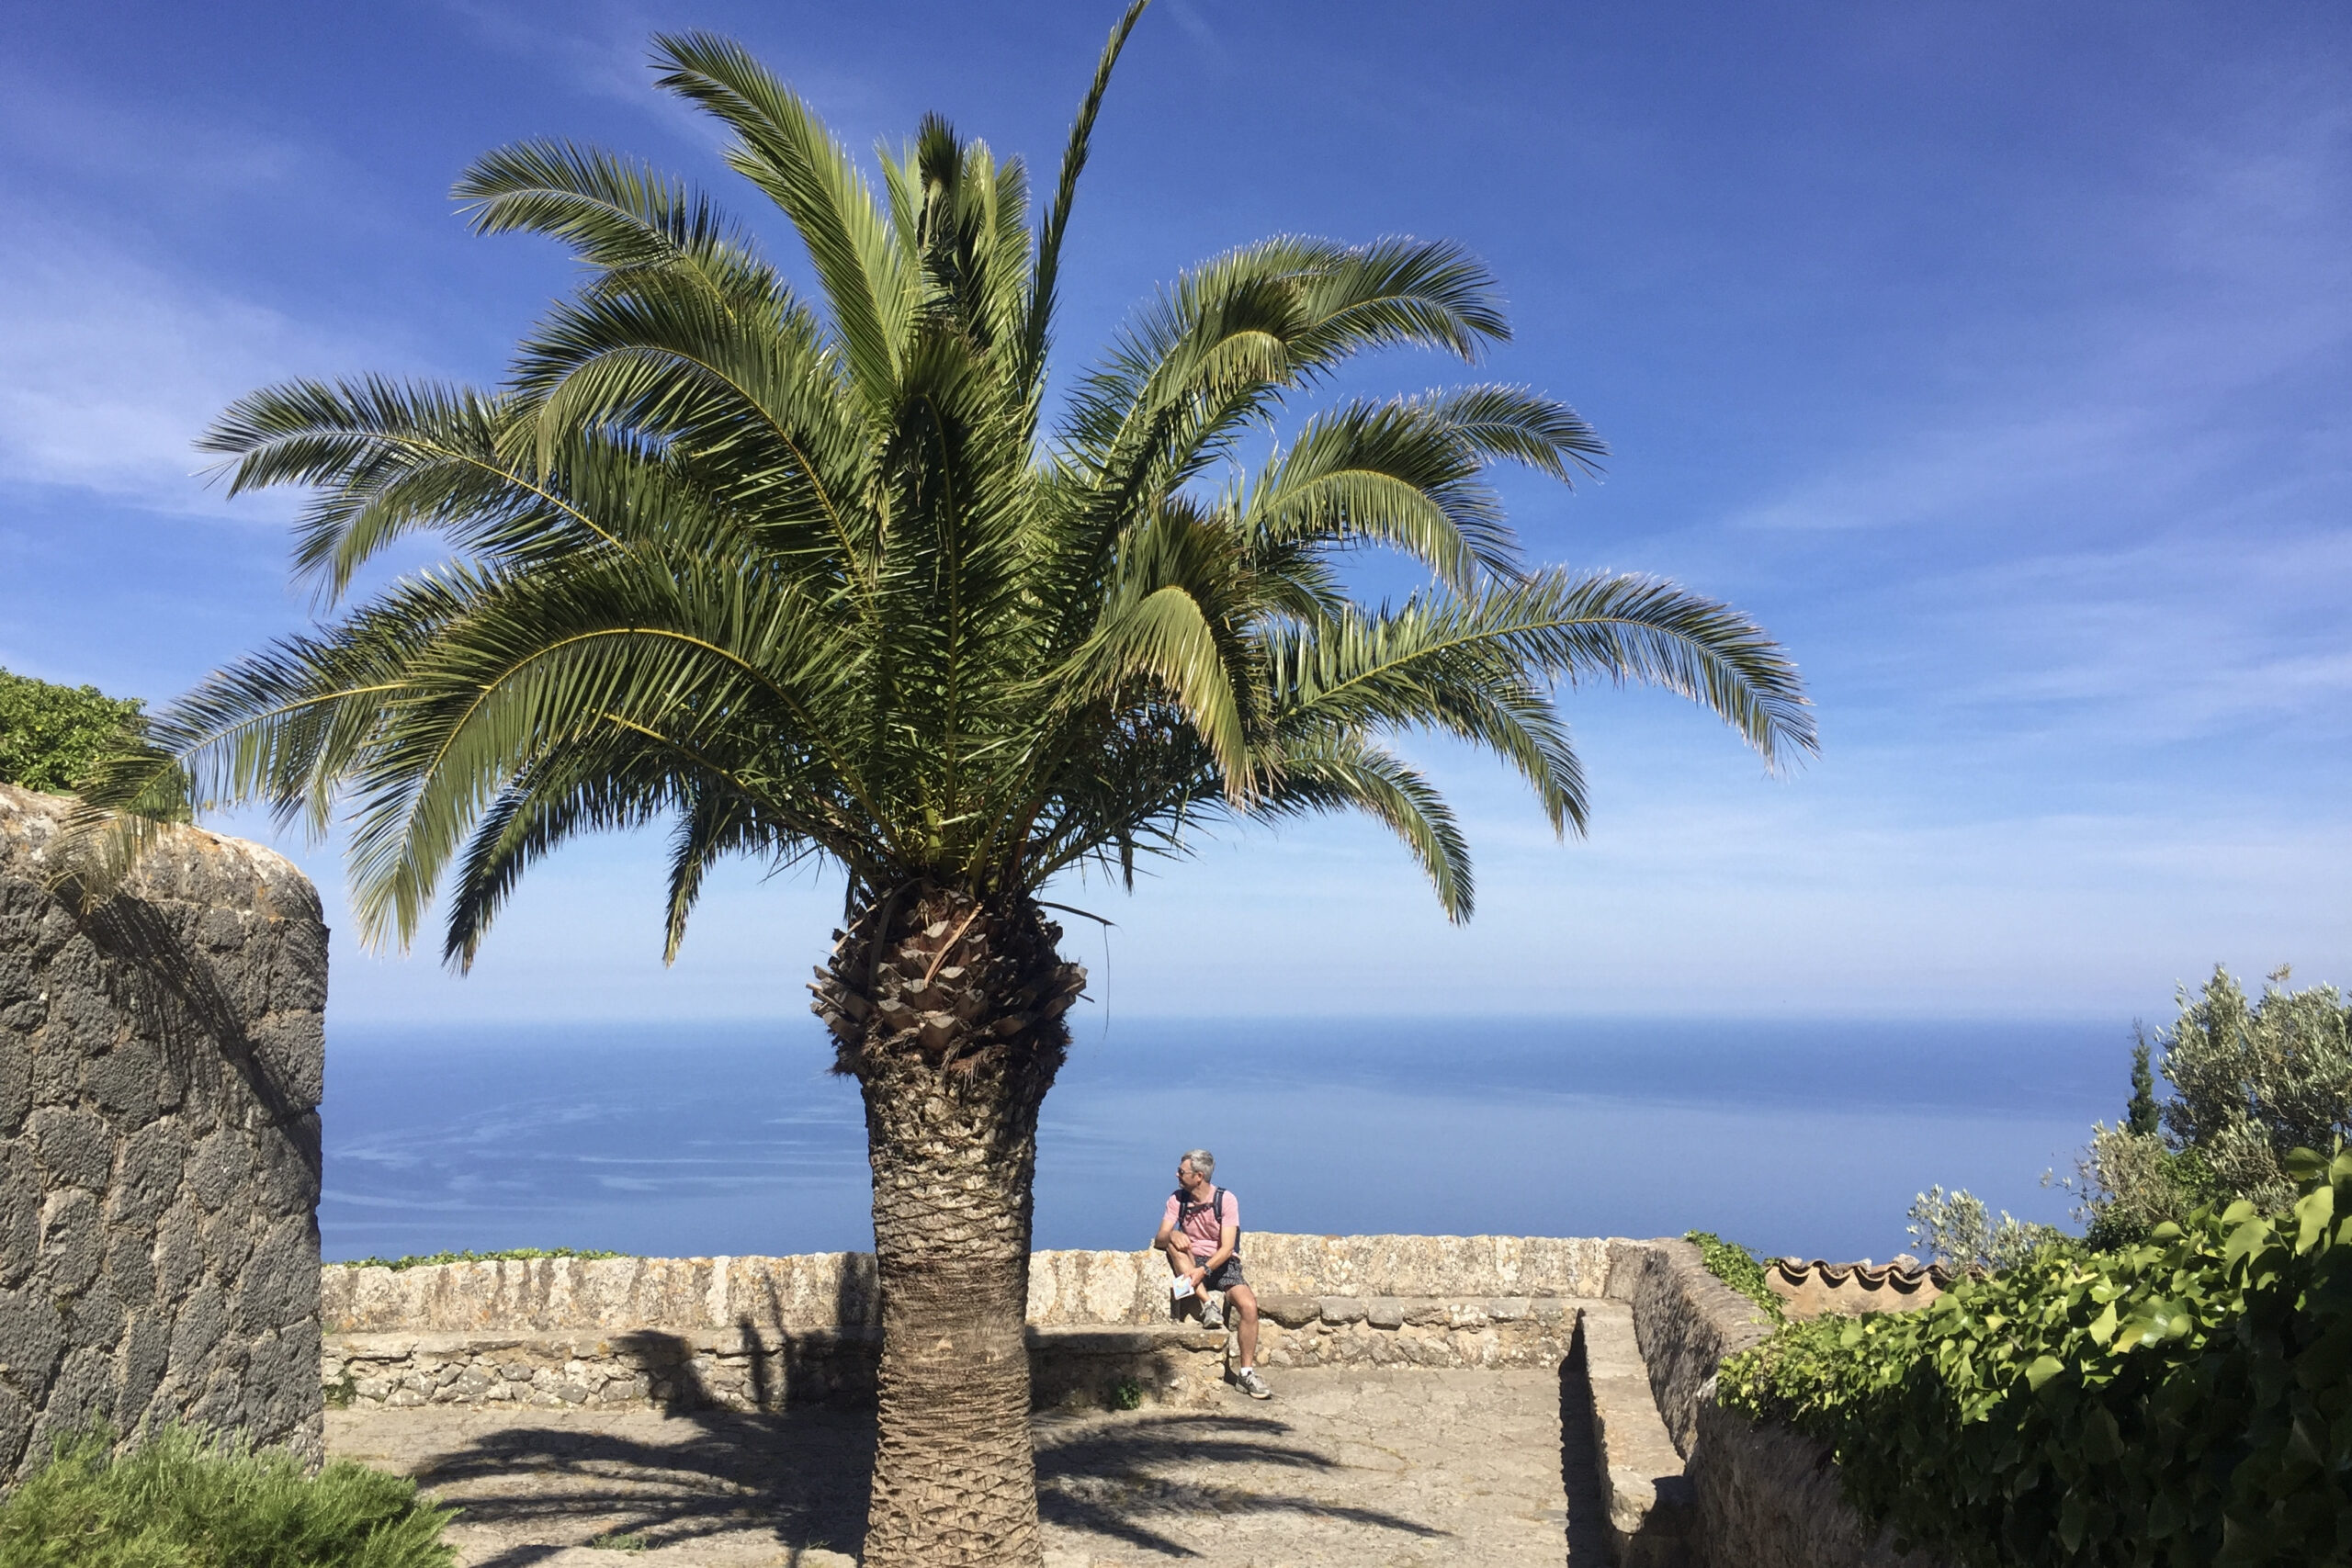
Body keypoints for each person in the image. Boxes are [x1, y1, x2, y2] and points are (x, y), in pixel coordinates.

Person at [1155, 1148, 1271, 1399]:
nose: (1176, 1175)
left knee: (1249, 1306)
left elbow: (1228, 1247)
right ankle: (1208, 1305)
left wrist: (1204, 1270)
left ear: (1198, 1176)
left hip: (1222, 1263)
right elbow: (1160, 1238)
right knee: (1175, 1247)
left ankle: (1247, 1373)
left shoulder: (1226, 1200)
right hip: (1192, 1259)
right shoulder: (1177, 1200)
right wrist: (1172, 1234)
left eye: (1181, 1171)